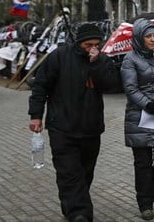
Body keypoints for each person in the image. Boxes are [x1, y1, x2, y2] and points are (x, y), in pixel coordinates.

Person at [28, 23, 121, 222]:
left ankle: (71, 205)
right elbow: (40, 87)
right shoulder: (59, 57)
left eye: (97, 44)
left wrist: (96, 64)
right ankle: (80, 213)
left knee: (85, 172)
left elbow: (111, 85)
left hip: (90, 128)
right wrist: (36, 115)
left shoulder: (102, 60)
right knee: (69, 172)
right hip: (61, 126)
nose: (92, 48)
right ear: (79, 43)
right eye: (88, 45)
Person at [121, 19, 154, 220]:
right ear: (139, 38)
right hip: (140, 116)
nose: (153, 40)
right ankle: (145, 203)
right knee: (143, 163)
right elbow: (130, 88)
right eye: (148, 36)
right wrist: (150, 105)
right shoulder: (130, 60)